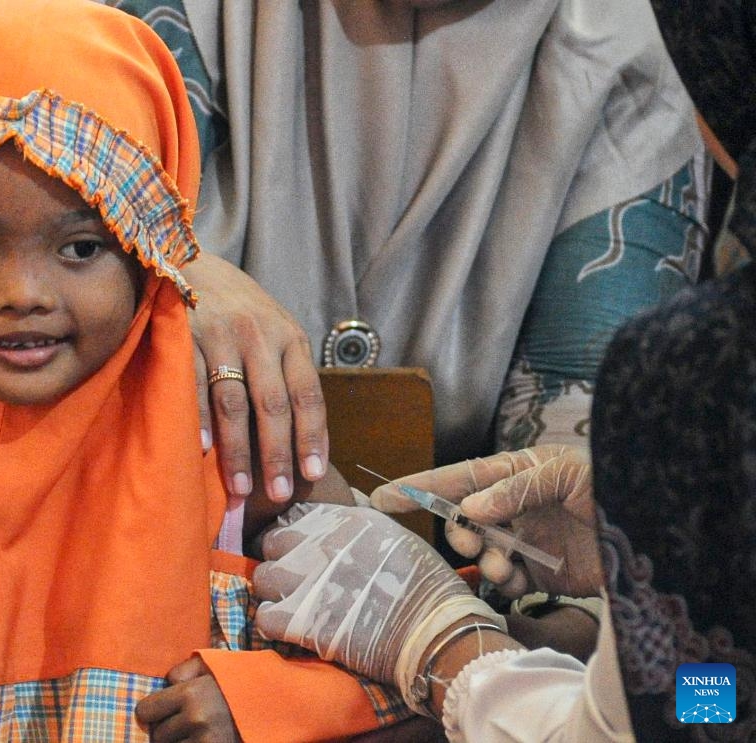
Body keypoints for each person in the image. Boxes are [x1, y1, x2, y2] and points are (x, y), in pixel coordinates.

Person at [0, 2, 418, 740]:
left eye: (83, 248)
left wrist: (266, 703)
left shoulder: (230, 431)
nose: (22, 294)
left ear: (153, 247)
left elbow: (415, 648)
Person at [0, 0, 707, 505]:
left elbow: (577, 486)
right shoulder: (148, 14)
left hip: (445, 618)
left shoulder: (632, 46)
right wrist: (174, 274)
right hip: (115, 550)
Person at [252, 140, 756, 742]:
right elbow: (717, 703)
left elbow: (676, 727)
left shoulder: (720, 373)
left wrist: (446, 647)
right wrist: (653, 587)